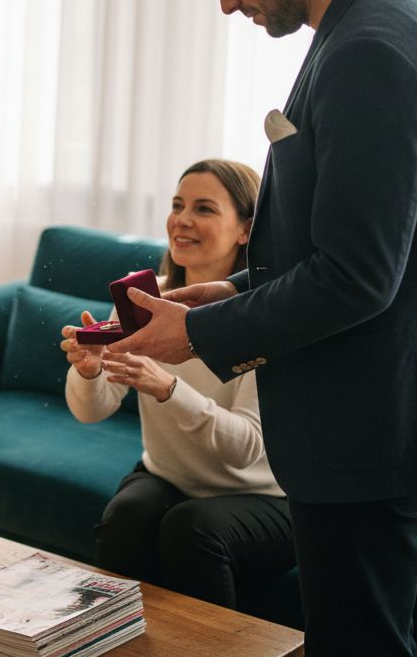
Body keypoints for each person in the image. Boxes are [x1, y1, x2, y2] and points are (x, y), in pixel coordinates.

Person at [113, 0, 417, 654]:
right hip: (372, 405)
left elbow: (359, 275)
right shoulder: (366, 29)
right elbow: (352, 247)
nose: (227, 4)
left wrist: (198, 332)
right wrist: (232, 289)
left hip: (372, 416)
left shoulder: (371, 50)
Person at [59, 159, 295, 612]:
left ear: (246, 230)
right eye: (177, 205)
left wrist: (168, 387)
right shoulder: (144, 299)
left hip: (265, 495)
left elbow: (247, 449)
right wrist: (89, 372)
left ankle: (210, 644)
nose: (182, 220)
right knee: (126, 518)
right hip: (168, 476)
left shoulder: (260, 316)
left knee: (191, 529)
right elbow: (91, 411)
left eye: (204, 208)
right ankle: (110, 637)